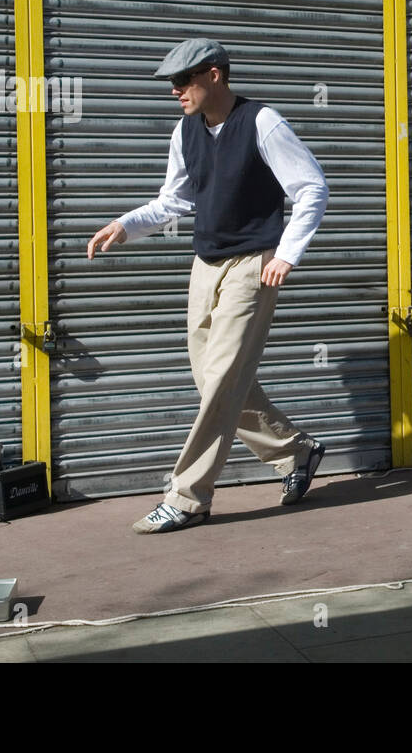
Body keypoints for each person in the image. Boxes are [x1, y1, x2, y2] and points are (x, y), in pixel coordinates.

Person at [86, 38, 330, 534]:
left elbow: (311, 188)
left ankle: (187, 496)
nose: (175, 91)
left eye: (183, 80)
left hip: (253, 264)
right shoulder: (185, 132)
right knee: (213, 379)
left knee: (221, 378)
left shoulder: (262, 122)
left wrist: (286, 253)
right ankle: (296, 451)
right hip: (206, 263)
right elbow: (172, 200)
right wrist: (125, 225)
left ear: (215, 75)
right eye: (172, 84)